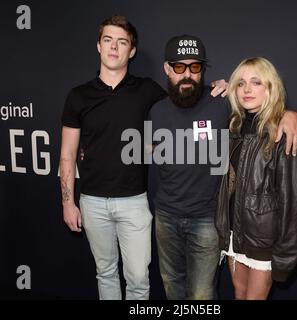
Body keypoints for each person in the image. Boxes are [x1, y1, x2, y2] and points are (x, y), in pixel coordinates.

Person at [59, 15, 227, 300]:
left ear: (131, 51)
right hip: (92, 202)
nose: (114, 47)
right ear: (99, 46)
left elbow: (185, 96)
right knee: (105, 273)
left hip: (136, 203)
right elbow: (67, 154)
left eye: (122, 42)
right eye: (108, 40)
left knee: (140, 280)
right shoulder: (78, 96)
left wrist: (224, 87)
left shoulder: (149, 91)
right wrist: (67, 202)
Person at [149, 36, 297, 300]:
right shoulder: (157, 111)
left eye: (195, 67)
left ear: (202, 70)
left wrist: (289, 115)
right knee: (173, 287)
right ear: (167, 68)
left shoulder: (221, 105)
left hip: (209, 220)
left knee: (201, 294)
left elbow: (262, 105)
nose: (187, 73)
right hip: (169, 216)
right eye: (179, 67)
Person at [215, 57, 297, 300]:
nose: (247, 89)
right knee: (239, 293)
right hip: (235, 234)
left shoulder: (284, 132)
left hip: (264, 239)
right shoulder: (234, 127)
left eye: (256, 82)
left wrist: (285, 256)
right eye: (241, 83)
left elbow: (296, 202)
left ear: (270, 88)